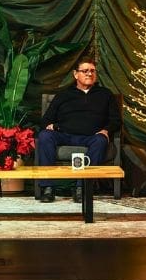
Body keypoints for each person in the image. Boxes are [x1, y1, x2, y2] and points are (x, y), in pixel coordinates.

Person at [36, 58, 122, 203]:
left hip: (91, 136)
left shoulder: (105, 94)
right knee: (44, 136)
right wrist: (51, 126)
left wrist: (106, 130)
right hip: (64, 135)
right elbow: (45, 120)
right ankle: (48, 188)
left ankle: (81, 188)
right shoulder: (63, 95)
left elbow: (116, 121)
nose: (89, 74)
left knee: (101, 140)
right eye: (85, 71)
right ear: (76, 74)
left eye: (92, 71)